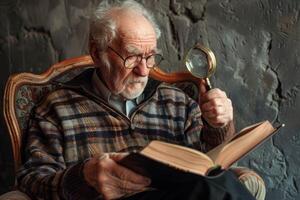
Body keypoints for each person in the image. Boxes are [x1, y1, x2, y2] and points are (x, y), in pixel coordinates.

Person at [10, 0, 265, 200]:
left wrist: (217, 125)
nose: (144, 70)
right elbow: (32, 179)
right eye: (131, 57)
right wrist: (83, 177)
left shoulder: (176, 101)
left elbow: (208, 163)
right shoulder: (57, 106)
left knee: (215, 183)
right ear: (97, 54)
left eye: (151, 56)